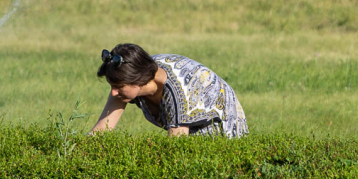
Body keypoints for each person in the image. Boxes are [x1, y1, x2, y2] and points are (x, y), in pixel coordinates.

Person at [91, 43, 248, 138]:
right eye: (111, 85)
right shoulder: (129, 77)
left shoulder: (178, 93)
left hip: (221, 125)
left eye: (118, 87)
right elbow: (101, 131)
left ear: (138, 80)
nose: (113, 93)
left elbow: (176, 152)